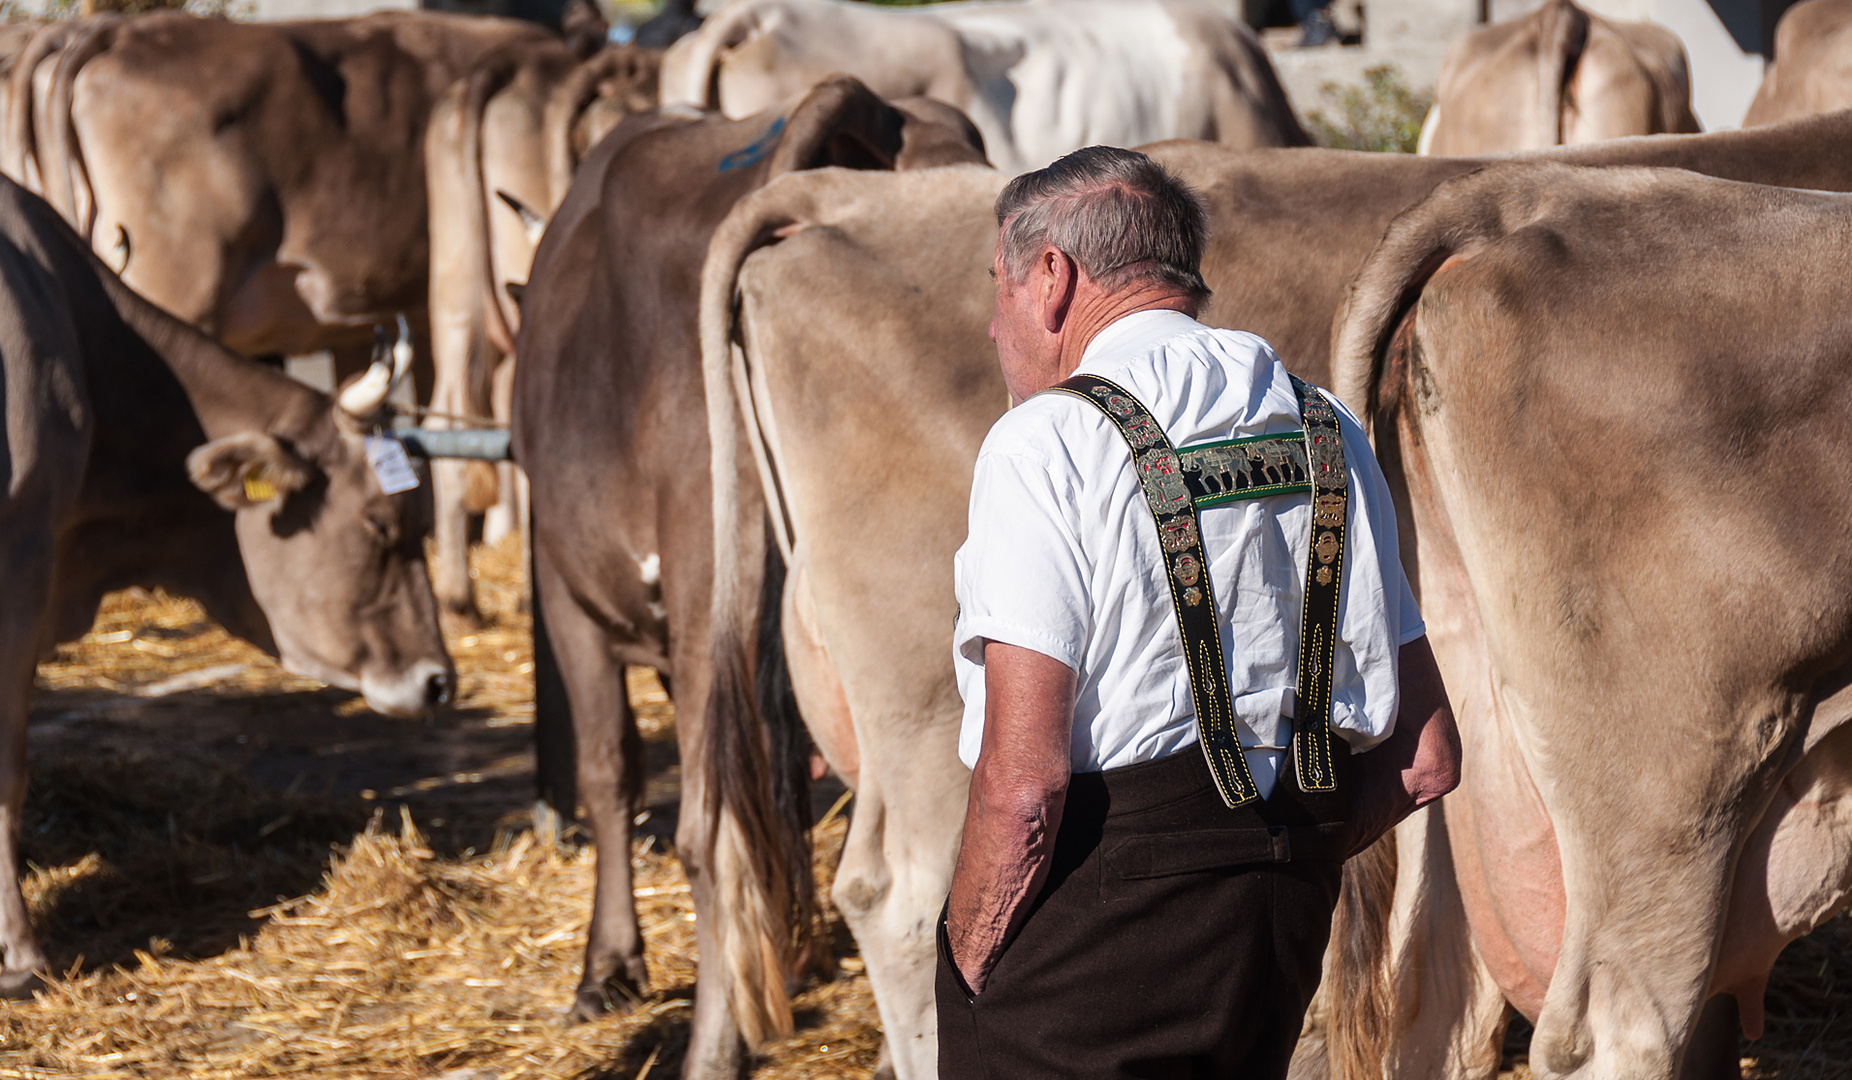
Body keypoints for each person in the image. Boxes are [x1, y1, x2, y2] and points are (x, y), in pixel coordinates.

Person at [936, 145, 1461, 1079]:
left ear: (1052, 279)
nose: (989, 326)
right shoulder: (1324, 424)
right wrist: (1278, 854)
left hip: (1092, 950)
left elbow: (1024, 790)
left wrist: (966, 966)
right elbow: (1425, 758)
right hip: (1276, 935)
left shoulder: (1045, 442)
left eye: (999, 287)